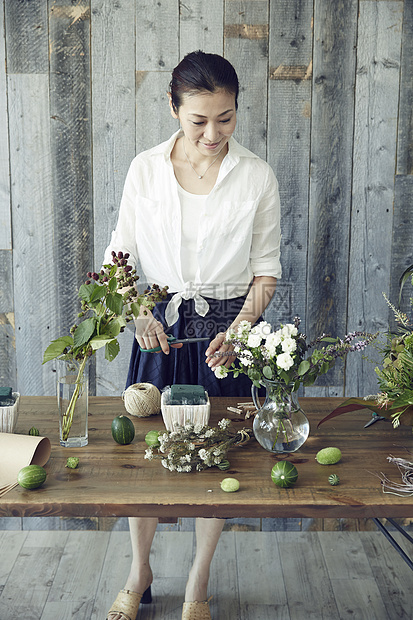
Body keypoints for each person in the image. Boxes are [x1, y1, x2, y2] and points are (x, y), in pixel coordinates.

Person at [105, 50, 281, 620]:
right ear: (173, 108)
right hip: (158, 328)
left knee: (219, 459)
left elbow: (265, 270)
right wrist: (138, 312)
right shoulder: (144, 169)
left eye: (226, 118)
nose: (213, 133)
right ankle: (140, 572)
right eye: (199, 119)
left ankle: (199, 580)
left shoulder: (255, 175)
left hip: (227, 331)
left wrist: (241, 330)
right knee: (150, 454)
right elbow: (121, 256)